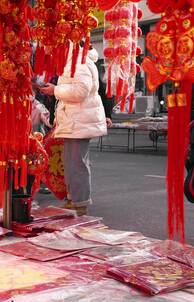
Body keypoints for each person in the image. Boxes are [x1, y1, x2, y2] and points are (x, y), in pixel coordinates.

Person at [40, 42, 111, 215]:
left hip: (79, 121)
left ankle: (79, 203)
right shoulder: (75, 60)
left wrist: (55, 90)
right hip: (75, 120)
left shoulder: (78, 62)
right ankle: (75, 200)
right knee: (72, 162)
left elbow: (80, 91)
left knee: (76, 163)